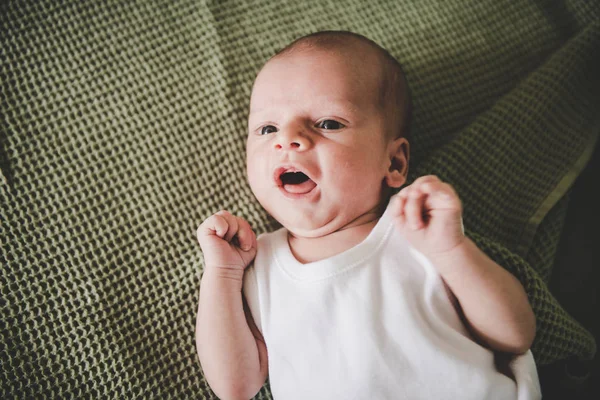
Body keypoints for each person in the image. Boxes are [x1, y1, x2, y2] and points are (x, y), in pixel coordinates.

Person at [195, 31, 541, 400]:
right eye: (267, 129)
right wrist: (222, 274)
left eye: (328, 123)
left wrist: (451, 250)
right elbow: (235, 387)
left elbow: (515, 335)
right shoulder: (258, 265)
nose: (288, 139)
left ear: (393, 162)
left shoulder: (417, 228)